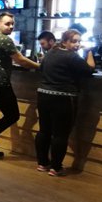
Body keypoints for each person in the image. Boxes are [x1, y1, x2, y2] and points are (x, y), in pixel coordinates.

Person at [35, 29, 95, 177]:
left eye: (79, 41)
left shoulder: (50, 53)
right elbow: (90, 69)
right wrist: (89, 52)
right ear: (64, 42)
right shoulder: (72, 57)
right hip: (63, 98)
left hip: (43, 96)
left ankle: (43, 163)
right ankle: (56, 168)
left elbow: (41, 68)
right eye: (74, 41)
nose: (77, 44)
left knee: (44, 131)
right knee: (60, 134)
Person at [0, 12, 39, 159]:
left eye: (12, 24)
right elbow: (21, 60)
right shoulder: (4, 39)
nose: (11, 26)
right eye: (7, 24)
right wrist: (41, 66)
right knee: (13, 115)